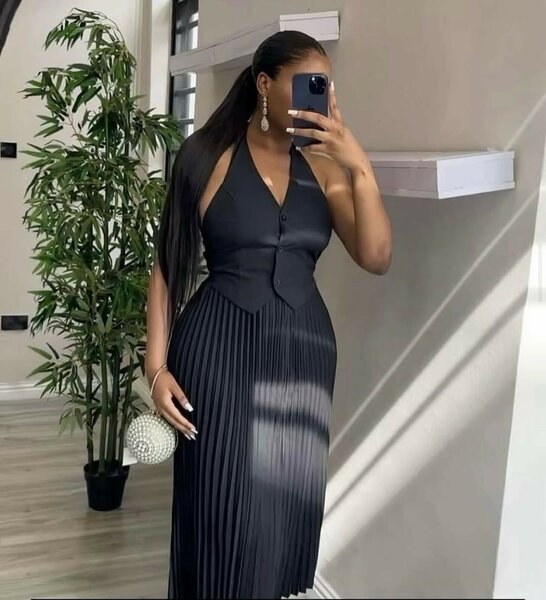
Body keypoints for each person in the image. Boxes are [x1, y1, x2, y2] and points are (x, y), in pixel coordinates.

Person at [145, 30, 392, 600]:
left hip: (304, 355)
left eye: (326, 86)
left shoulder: (326, 170)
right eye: (307, 84)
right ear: (264, 83)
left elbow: (376, 257)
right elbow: (167, 267)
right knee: (222, 506)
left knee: (283, 509)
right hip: (218, 353)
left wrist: (359, 167)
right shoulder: (205, 156)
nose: (319, 97)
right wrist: (154, 368)